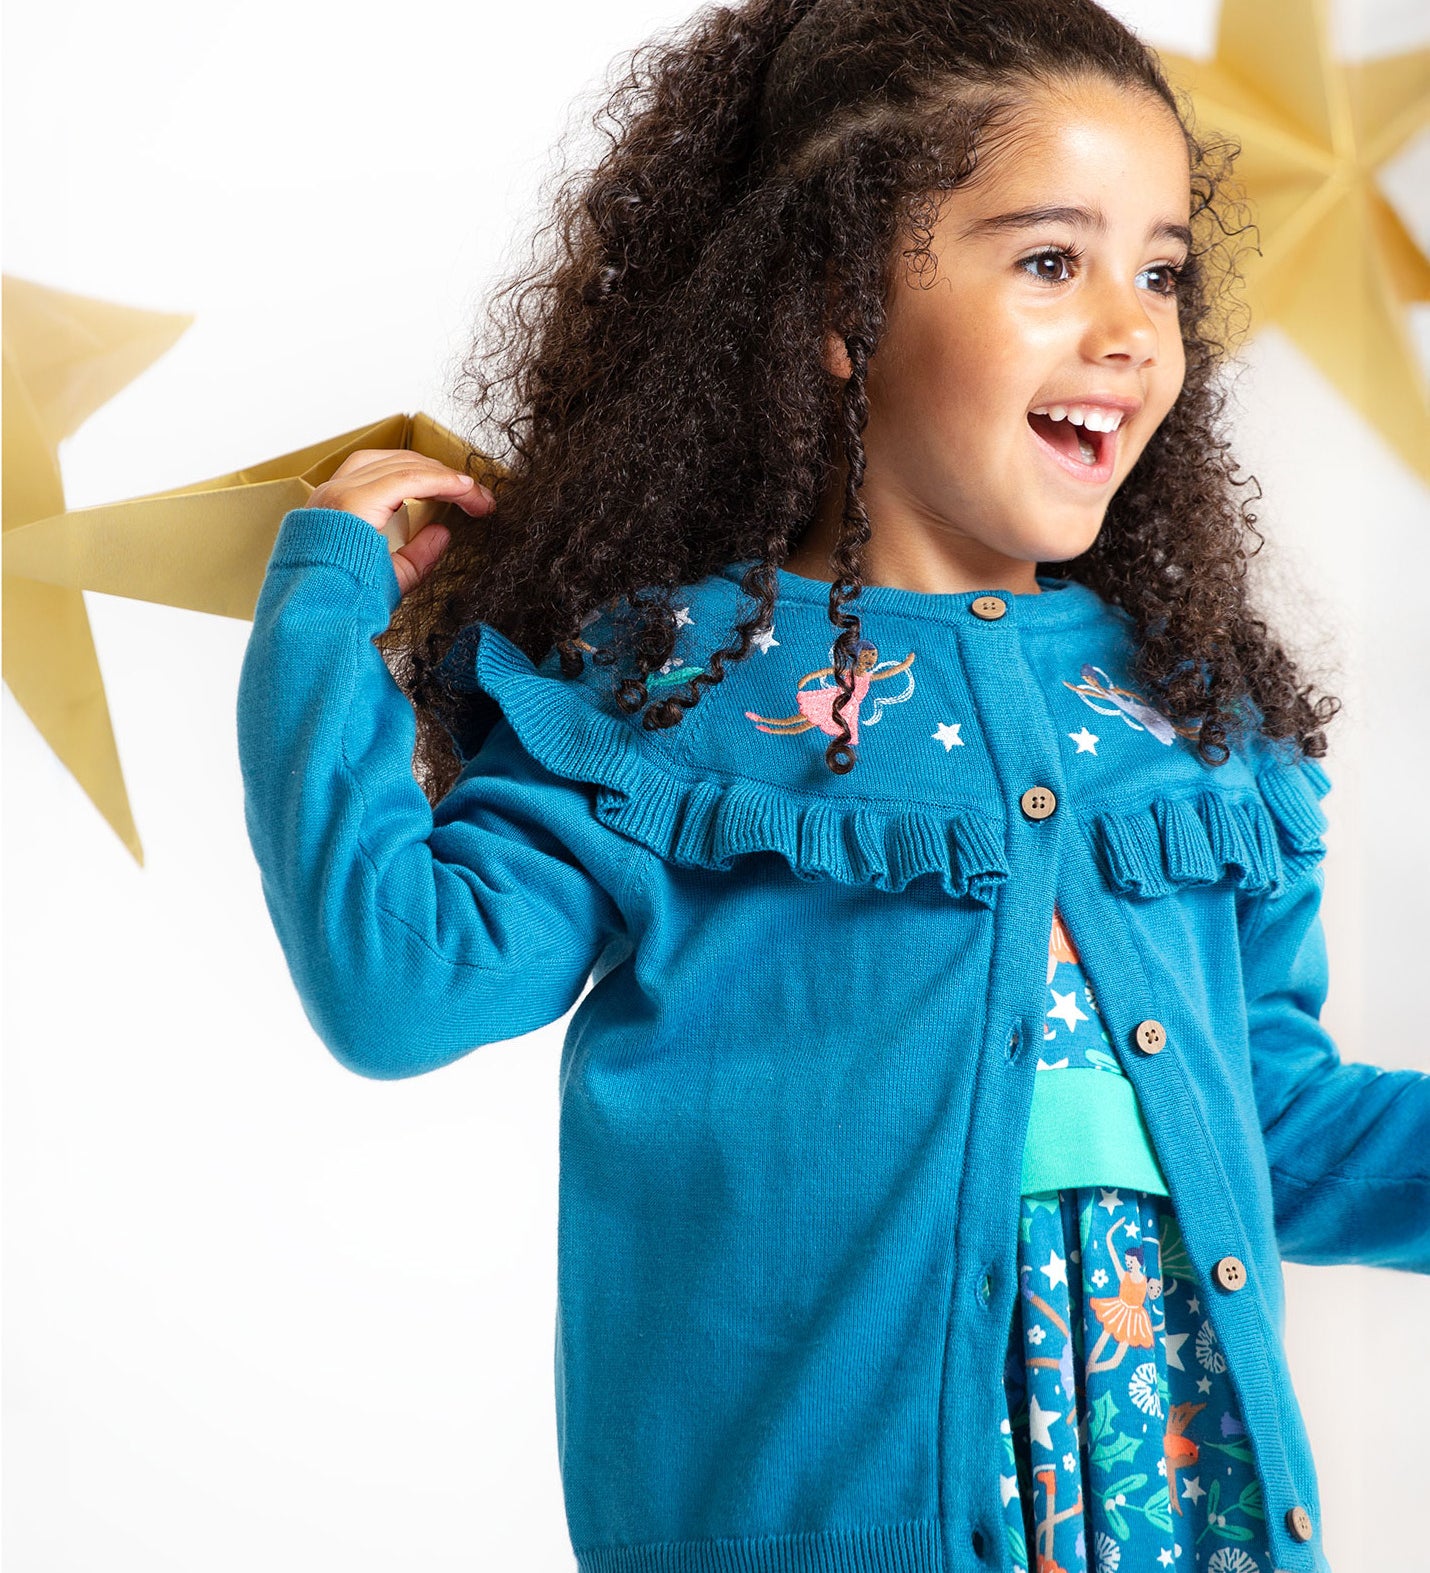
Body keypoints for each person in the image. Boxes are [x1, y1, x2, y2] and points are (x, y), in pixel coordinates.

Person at [234, 2, 1429, 1570]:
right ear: (838, 299)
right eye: (1051, 260)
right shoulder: (670, 691)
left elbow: (1268, 1121)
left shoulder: (1185, 717)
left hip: (1177, 1508)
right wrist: (327, 603)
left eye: (1159, 270)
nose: (1134, 328)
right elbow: (402, 982)